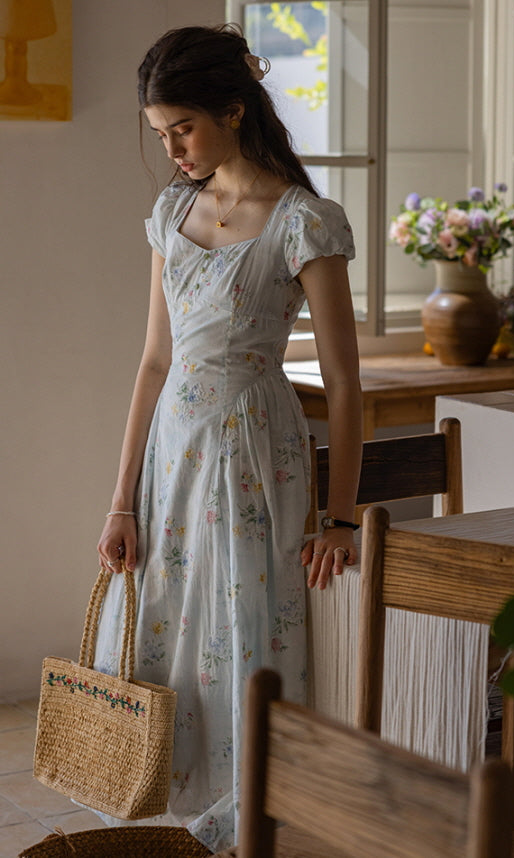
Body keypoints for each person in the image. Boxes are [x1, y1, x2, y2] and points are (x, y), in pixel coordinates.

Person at [92, 23, 362, 853]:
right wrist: (121, 500)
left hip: (253, 453)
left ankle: (254, 814)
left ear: (233, 111)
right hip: (173, 449)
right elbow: (152, 361)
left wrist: (342, 516)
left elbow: (348, 384)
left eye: (182, 128)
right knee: (170, 626)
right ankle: (184, 810)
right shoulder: (174, 211)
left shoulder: (300, 222)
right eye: (161, 133)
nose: (172, 149)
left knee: (246, 630)